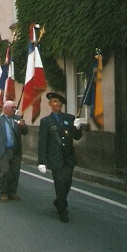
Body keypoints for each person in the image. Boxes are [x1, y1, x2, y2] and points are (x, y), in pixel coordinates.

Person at [37, 92, 83, 223]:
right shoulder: (45, 121)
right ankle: (63, 211)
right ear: (50, 104)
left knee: (67, 182)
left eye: (59, 102)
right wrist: (42, 161)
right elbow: (42, 143)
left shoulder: (70, 118)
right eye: (55, 101)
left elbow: (77, 137)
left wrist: (79, 127)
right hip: (54, 157)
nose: (57, 104)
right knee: (59, 183)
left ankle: (58, 201)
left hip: (68, 157)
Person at [0, 100, 28, 202]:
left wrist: (23, 126)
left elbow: (25, 132)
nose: (14, 109)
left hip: (16, 150)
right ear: (6, 108)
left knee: (15, 172)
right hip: (3, 150)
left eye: (14, 108)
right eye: (12, 107)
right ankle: (4, 192)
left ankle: (13, 192)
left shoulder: (18, 119)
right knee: (5, 171)